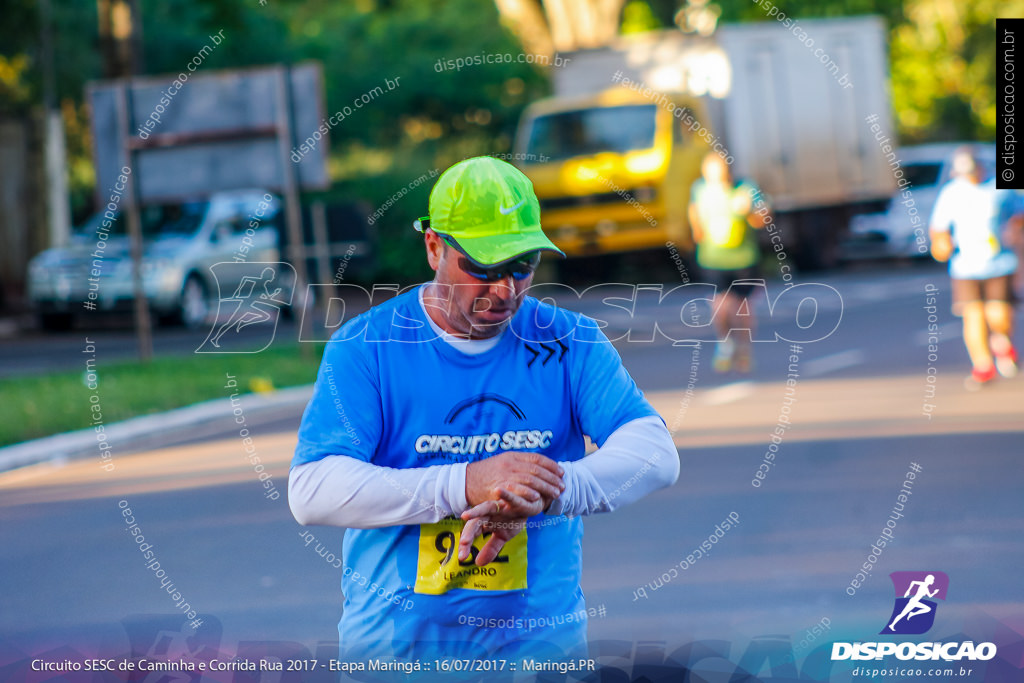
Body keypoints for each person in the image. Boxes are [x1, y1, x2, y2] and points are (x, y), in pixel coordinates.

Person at [289, 156, 679, 665]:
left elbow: (655, 453)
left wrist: (543, 491)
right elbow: (312, 490)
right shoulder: (367, 345)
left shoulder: (568, 339)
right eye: (483, 267)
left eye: (522, 266)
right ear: (434, 247)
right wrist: (465, 485)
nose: (505, 290)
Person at [929, 147, 1021, 389]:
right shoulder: (951, 193)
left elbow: (1019, 214)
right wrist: (941, 245)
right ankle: (982, 365)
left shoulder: (999, 189)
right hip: (965, 266)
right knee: (973, 316)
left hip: (999, 262)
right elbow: (938, 228)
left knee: (998, 315)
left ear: (980, 167)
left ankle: (1001, 342)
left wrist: (1015, 231)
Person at [688, 152, 767, 372]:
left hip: (743, 258)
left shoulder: (745, 188)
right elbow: (694, 213)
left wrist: (750, 210)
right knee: (720, 305)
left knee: (743, 306)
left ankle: (744, 348)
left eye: (721, 173)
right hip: (713, 258)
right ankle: (725, 343)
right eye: (711, 173)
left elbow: (762, 218)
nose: (717, 178)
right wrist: (696, 229)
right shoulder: (700, 190)